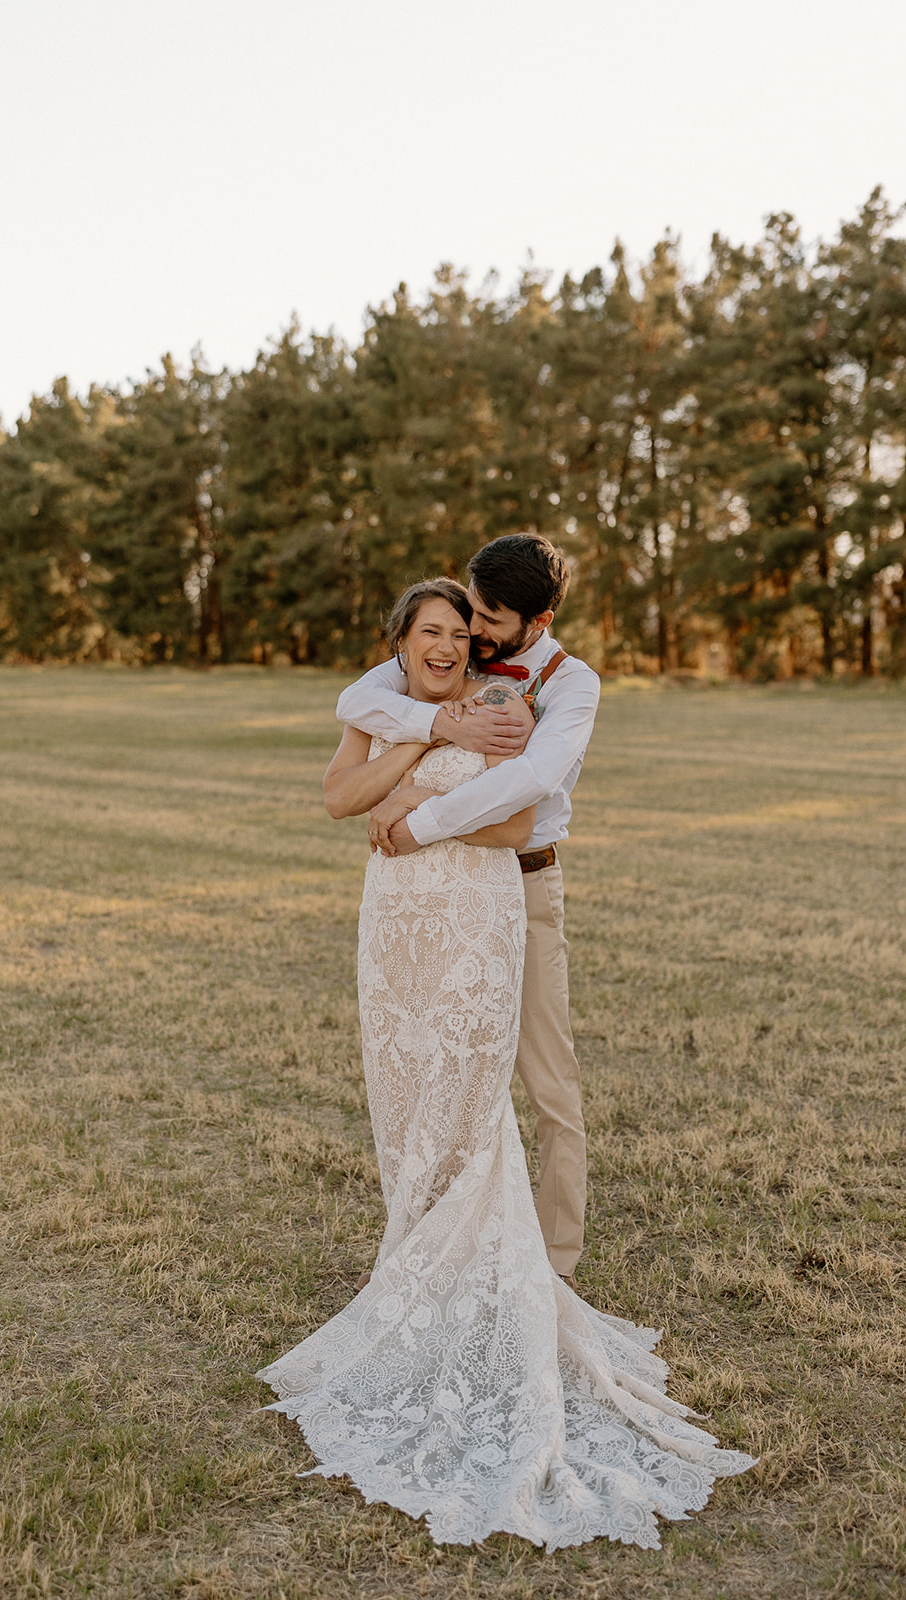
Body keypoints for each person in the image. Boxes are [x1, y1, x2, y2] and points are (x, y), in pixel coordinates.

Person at [257, 578, 755, 1550]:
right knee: (402, 1097)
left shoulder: (504, 703)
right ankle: (408, 1276)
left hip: (475, 915)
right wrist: (417, 742)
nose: (453, 641)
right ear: (399, 639)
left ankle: (507, 1291)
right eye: (433, 629)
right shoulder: (394, 704)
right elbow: (334, 798)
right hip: (394, 921)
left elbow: (522, 819)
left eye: (463, 627)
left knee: (472, 1100)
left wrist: (414, 796)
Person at [335, 534, 595, 1286]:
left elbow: (534, 781)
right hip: (435, 898)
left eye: (485, 618)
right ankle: (440, 1248)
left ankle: (554, 1266)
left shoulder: (572, 684)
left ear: (536, 622)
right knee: (435, 1071)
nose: (470, 632)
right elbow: (356, 699)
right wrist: (437, 729)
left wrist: (420, 812)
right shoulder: (460, 656)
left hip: (522, 880)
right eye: (466, 612)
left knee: (548, 1083)